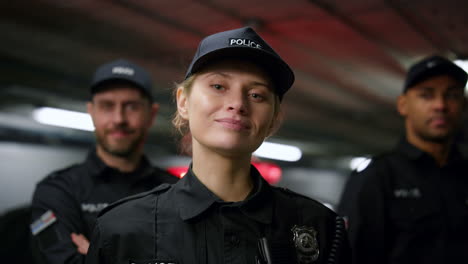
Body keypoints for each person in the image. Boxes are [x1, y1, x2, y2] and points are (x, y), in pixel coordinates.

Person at [85, 27, 351, 264]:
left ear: (273, 119)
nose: (238, 103)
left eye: (257, 94)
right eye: (218, 86)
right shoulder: (121, 229)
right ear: (183, 102)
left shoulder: (318, 227)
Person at [30, 59, 178, 264]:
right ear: (91, 112)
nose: (118, 118)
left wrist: (99, 255)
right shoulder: (58, 191)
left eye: (131, 106)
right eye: (107, 106)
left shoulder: (174, 191)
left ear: (151, 114)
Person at [338, 55, 468, 264]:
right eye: (426, 95)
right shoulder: (377, 177)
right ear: (403, 104)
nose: (440, 105)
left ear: (463, 104)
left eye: (452, 95)